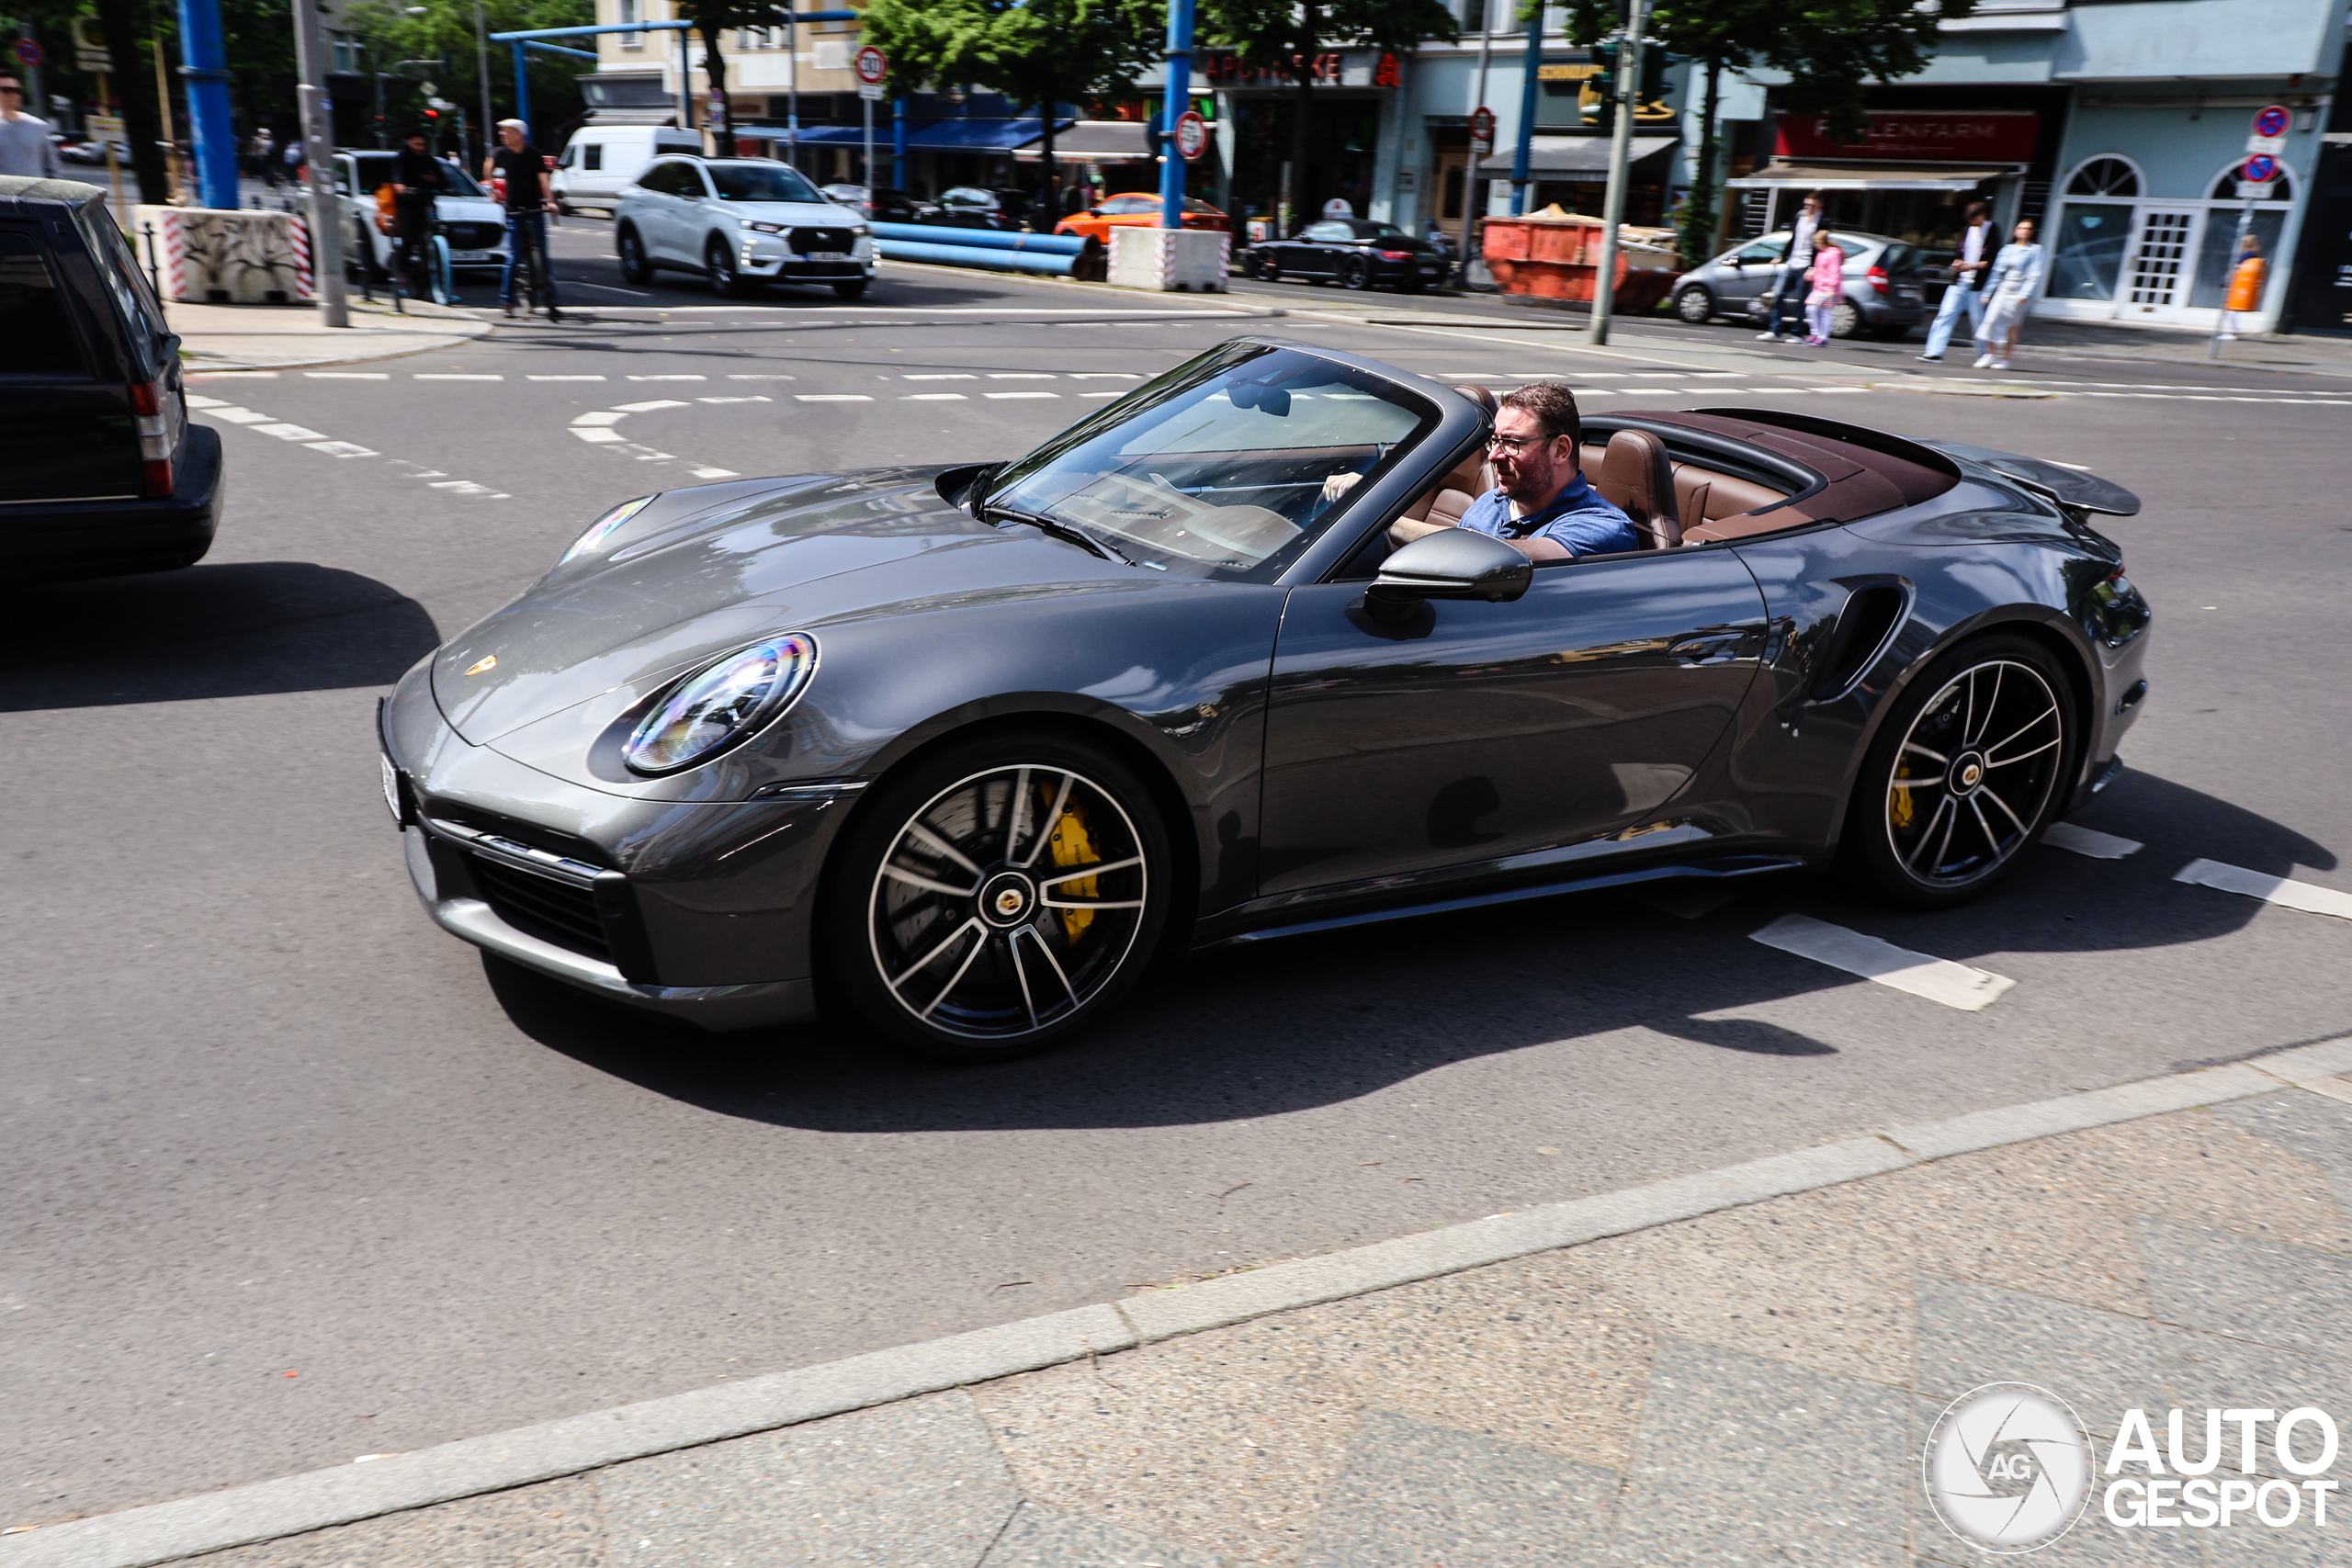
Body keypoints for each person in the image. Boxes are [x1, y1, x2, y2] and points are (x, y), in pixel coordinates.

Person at [1388, 381, 1638, 561]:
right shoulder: (1489, 503)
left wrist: (1384, 524)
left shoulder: (1603, 526)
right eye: (1494, 441)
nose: (1494, 456)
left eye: (1512, 444)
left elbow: (1500, 556)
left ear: (1560, 449)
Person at [485, 118, 561, 320]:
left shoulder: (534, 155)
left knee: (543, 257)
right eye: (502, 131)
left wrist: (550, 201)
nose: (503, 134)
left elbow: (544, 180)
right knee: (513, 256)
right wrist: (492, 189)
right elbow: (489, 167)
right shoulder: (501, 153)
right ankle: (507, 301)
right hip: (513, 211)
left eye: (507, 131)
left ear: (520, 135)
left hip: (534, 209)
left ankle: (552, 301)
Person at [1918, 199, 1993, 362]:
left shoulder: (1992, 230)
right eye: (1970, 220)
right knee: (1945, 314)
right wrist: (1957, 263)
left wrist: (1971, 266)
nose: (1973, 223)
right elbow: (1959, 253)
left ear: (1983, 215)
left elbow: (1991, 260)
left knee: (1977, 319)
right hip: (1959, 281)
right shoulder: (1966, 230)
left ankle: (1985, 354)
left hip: (1978, 284)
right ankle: (1934, 352)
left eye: (1975, 219)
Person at [1973, 218, 2044, 370]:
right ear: (2015, 231)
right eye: (2021, 228)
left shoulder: (2035, 250)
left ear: (2032, 232)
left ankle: (2006, 358)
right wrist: (1987, 293)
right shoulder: (2007, 249)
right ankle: (1990, 354)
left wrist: (2024, 294)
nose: (2024, 231)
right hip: (2003, 288)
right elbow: (1996, 273)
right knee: (1991, 319)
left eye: (2028, 229)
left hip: (2019, 289)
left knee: (2011, 325)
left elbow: (2034, 274)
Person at [390, 128, 446, 301]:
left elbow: (444, 181)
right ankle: (401, 277)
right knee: (408, 239)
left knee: (433, 237)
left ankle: (440, 279)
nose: (421, 147)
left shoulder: (429, 161)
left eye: (423, 144)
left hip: (425, 203)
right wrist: (399, 185)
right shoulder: (402, 158)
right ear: (409, 142)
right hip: (407, 206)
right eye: (417, 144)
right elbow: (396, 175)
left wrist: (434, 181)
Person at [1758, 191, 1822, 344]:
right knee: (1778, 294)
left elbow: (1820, 245)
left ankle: (1797, 334)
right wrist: (1782, 255)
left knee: (1801, 300)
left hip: (1806, 264)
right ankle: (1774, 330)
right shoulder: (1800, 217)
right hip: (1792, 262)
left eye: (1812, 205)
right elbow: (1794, 238)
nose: (1808, 207)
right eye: (1806, 204)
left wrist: (1813, 266)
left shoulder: (1823, 221)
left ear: (1819, 205)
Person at [0, 75, 62, 180]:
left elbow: (53, 168)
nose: (12, 95)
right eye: (6, 90)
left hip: (34, 194)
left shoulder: (38, 126)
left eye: (16, 90)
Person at [1803, 227, 1845, 346]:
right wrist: (1812, 274)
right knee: (1811, 309)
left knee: (1825, 312)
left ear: (1822, 242)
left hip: (1828, 288)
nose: (1815, 245)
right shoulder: (1821, 254)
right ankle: (1815, 333)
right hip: (1819, 287)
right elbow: (1818, 269)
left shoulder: (1833, 254)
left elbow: (1834, 271)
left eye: (1816, 243)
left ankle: (1822, 336)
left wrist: (1832, 287)